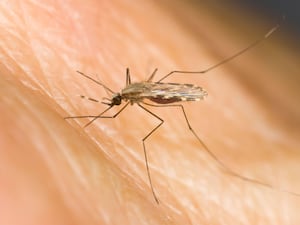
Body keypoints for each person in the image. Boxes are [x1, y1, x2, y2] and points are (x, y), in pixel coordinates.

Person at [1, 1, 299, 224]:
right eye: (117, 98)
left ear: (123, 96)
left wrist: (84, 118)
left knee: (157, 119)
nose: (114, 101)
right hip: (149, 90)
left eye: (117, 98)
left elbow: (118, 108)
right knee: (158, 82)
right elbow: (121, 97)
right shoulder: (126, 92)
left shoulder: (132, 96)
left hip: (157, 94)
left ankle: (220, 159)